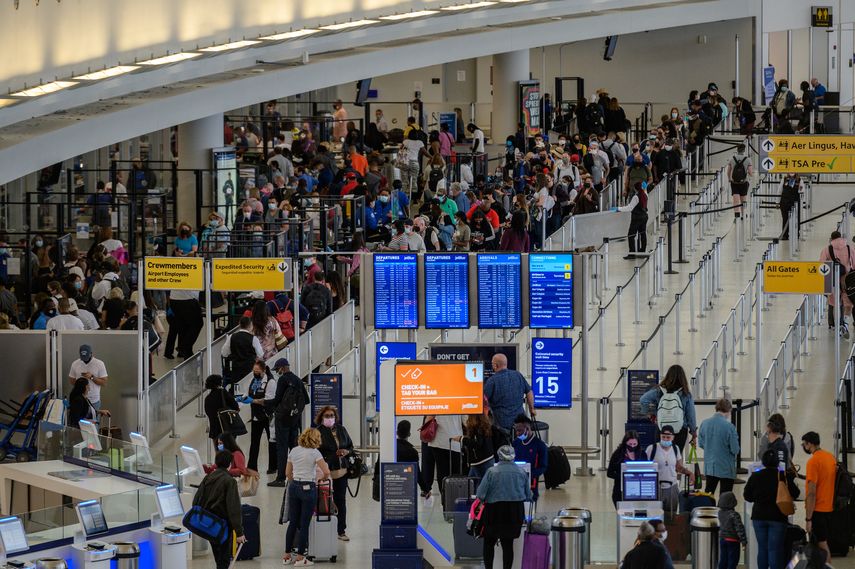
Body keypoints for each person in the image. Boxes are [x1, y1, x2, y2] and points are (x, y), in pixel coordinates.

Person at [475, 445, 531, 569]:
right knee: (508, 544)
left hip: (494, 511)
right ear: (513, 456)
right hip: (514, 512)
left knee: (489, 542)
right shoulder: (521, 472)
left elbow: (480, 494)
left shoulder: (491, 472)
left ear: (499, 455)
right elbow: (528, 495)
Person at [282, 428, 330, 566]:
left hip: (294, 487)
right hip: (308, 488)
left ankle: (286, 556)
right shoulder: (315, 453)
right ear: (316, 439)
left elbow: (287, 473)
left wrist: (295, 483)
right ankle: (300, 558)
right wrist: (321, 479)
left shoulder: (294, 451)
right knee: (304, 524)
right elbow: (326, 471)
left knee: (293, 522)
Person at [744, 449, 798, 569]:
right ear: (777, 462)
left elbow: (747, 496)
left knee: (762, 549)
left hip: (758, 517)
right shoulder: (783, 476)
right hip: (778, 517)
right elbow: (796, 492)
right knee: (775, 550)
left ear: (763, 461)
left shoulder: (755, 476)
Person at [194, 450, 246, 569]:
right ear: (229, 464)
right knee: (224, 560)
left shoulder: (208, 477)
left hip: (208, 523)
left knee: (218, 557)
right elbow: (233, 508)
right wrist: (239, 532)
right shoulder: (230, 481)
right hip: (223, 525)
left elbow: (196, 500)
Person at [316, 405, 354, 541]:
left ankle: (341, 530)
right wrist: (332, 455)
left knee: (341, 501)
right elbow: (315, 452)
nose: (330, 418)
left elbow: (350, 446)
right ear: (321, 418)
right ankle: (324, 531)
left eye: (332, 416)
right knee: (324, 502)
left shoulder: (341, 430)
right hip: (325, 473)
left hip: (341, 472)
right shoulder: (317, 432)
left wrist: (346, 451)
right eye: (327, 416)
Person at [268, 358, 308, 487]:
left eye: (277, 369)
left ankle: (280, 478)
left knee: (282, 449)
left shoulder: (282, 380)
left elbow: (277, 399)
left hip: (282, 419)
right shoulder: (298, 380)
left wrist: (263, 402)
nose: (277, 372)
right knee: (294, 448)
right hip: (294, 420)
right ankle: (297, 476)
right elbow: (306, 400)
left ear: (283, 367)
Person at [640, 364, 697, 451]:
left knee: (660, 454)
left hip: (662, 428)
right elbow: (691, 415)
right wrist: (693, 432)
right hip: (680, 430)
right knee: (676, 455)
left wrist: (650, 414)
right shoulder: (686, 394)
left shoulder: (659, 391)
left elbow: (643, 399)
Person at [803, 431, 836, 560]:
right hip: (829, 507)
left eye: (804, 444)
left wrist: (808, 519)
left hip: (818, 510)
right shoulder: (830, 457)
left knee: (822, 546)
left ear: (810, 444)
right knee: (823, 543)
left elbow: (811, 493)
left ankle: (827, 567)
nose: (804, 447)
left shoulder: (813, 462)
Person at [645, 425, 694, 512]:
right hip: (655, 488)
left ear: (673, 437)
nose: (665, 439)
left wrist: (689, 473)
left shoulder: (676, 449)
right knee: (655, 514)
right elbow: (645, 467)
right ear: (660, 436)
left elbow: (678, 467)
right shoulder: (652, 448)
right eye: (663, 437)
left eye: (668, 437)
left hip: (672, 487)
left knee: (671, 514)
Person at [483, 353, 535, 434]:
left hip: (501, 426)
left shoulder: (492, 381)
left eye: (492, 364)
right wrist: (532, 409)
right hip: (520, 423)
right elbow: (529, 392)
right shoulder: (518, 375)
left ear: (495, 365)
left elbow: (483, 400)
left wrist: (485, 419)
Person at [698, 398, 740, 495]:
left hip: (710, 467)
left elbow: (701, 443)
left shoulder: (704, 423)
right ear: (728, 410)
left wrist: (711, 447)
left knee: (709, 494)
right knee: (725, 497)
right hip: (726, 467)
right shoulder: (730, 427)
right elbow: (735, 449)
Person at [242, 361, 277, 474]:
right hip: (256, 416)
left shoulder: (270, 382)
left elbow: (268, 400)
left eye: (257, 371)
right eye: (254, 371)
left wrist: (253, 400)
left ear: (264, 370)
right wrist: (243, 398)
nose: (255, 373)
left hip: (268, 416)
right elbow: (247, 393)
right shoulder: (252, 380)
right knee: (254, 442)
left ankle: (273, 467)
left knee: (272, 441)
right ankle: (252, 466)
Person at [820, 230, 854, 337]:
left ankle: (836, 325)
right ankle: (845, 323)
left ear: (831, 239)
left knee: (835, 304)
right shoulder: (849, 248)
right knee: (848, 304)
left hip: (833, 281)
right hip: (848, 280)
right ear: (841, 238)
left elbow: (821, 265)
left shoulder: (827, 249)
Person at [424, 414, 463, 503]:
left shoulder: (437, 404)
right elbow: (466, 421)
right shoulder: (459, 404)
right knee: (455, 473)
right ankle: (454, 498)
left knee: (442, 472)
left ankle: (444, 498)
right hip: (455, 441)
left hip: (438, 441)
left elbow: (428, 419)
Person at [511, 414, 548, 502]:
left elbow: (543, 466)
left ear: (527, 429)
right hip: (515, 483)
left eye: (519, 431)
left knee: (529, 506)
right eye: (516, 431)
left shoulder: (540, 445)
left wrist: (529, 474)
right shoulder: (516, 443)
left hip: (531, 485)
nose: (517, 433)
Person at [221, 316, 263, 387]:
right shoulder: (253, 338)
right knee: (248, 388)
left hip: (236, 370)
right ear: (250, 325)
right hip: (249, 370)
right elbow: (260, 354)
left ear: (239, 324)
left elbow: (224, 353)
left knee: (236, 389)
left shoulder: (231, 337)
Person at [454, 413, 494, 484]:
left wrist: (462, 439)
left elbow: (477, 443)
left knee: (473, 484)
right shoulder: (484, 427)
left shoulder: (477, 428)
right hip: (484, 459)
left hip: (480, 461)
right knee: (477, 484)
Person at [164, 288, 203, 360]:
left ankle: (186, 352)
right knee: (197, 324)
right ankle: (183, 347)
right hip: (187, 299)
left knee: (182, 327)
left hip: (174, 299)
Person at [203, 374, 240, 452]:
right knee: (230, 451)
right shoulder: (223, 393)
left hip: (214, 431)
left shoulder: (207, 399)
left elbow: (208, 413)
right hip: (226, 428)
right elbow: (235, 406)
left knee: (219, 452)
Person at [67, 345, 108, 412]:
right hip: (79, 400)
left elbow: (104, 383)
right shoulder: (75, 364)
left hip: (94, 401)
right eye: (82, 357)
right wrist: (81, 383)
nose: (84, 360)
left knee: (93, 417)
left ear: (91, 353)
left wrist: (92, 377)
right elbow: (71, 380)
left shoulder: (99, 364)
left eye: (86, 357)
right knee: (78, 418)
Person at [607, 430, 642, 507]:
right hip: (620, 491)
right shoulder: (618, 454)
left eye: (634, 444)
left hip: (638, 491)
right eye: (630, 444)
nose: (632, 446)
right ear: (625, 442)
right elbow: (609, 473)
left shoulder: (642, 454)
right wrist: (624, 477)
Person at [616, 181, 649, 259]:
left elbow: (629, 208)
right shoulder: (645, 194)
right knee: (643, 234)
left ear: (635, 189)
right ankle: (642, 251)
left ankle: (632, 254)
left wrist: (618, 208)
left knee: (631, 235)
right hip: (644, 216)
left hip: (637, 218)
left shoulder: (636, 197)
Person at [718, 491, 747, 569]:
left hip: (723, 539)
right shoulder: (734, 514)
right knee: (732, 561)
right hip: (733, 541)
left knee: (723, 560)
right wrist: (744, 541)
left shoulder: (720, 513)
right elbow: (739, 528)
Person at [727, 143, 753, 219]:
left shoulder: (732, 159)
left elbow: (728, 172)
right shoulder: (748, 159)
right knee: (743, 200)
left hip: (734, 182)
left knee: (736, 200)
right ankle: (743, 214)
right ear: (744, 150)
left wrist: (729, 179)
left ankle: (736, 215)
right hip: (744, 182)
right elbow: (750, 173)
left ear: (737, 150)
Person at [779, 173, 802, 240]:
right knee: (785, 218)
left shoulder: (799, 180)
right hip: (785, 202)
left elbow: (802, 190)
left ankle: (796, 234)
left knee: (796, 218)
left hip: (795, 202)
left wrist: (800, 188)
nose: (791, 171)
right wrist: (777, 202)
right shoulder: (784, 179)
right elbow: (779, 190)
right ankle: (785, 234)